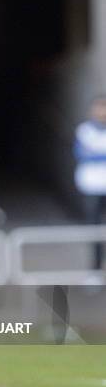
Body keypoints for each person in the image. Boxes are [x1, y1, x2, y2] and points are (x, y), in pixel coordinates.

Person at [73, 95, 106, 270]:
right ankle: (95, 267)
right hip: (92, 185)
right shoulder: (85, 130)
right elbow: (81, 154)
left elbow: (91, 154)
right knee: (94, 229)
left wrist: (96, 154)